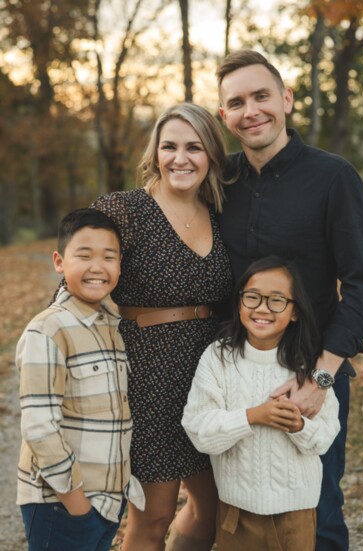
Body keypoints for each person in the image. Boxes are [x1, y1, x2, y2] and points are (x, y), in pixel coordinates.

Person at [216, 49, 363, 550]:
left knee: (318, 513)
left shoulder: (333, 177)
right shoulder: (219, 183)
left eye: (262, 95)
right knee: (239, 513)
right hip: (235, 373)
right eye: (237, 102)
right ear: (224, 116)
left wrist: (322, 378)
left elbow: (362, 281)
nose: (251, 110)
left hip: (310, 372)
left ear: (286, 98)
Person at [91, 103, 233, 551]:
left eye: (194, 147)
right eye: (169, 146)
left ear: (211, 153)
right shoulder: (124, 210)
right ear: (155, 153)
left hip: (210, 375)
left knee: (214, 512)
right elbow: (81, 280)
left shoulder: (221, 213)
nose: (180, 158)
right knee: (152, 517)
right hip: (148, 376)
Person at [183, 256, 340, 550]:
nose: (263, 308)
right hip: (236, 511)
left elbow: (324, 438)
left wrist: (298, 426)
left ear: (294, 311)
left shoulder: (309, 365)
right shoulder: (218, 357)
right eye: (252, 297)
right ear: (239, 302)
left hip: (296, 513)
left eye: (277, 300)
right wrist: (253, 416)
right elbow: (197, 429)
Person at [16, 208, 144, 551]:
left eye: (109, 257)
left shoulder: (111, 327)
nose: (97, 267)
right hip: (62, 504)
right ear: (59, 262)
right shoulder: (48, 330)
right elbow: (40, 427)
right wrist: (75, 503)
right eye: (84, 256)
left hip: (107, 502)